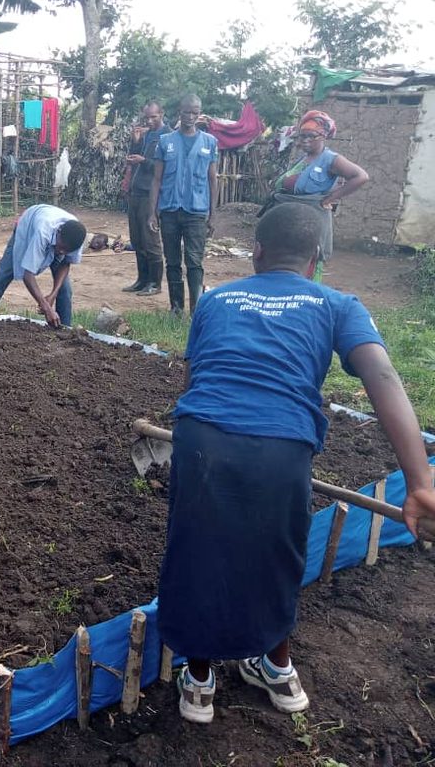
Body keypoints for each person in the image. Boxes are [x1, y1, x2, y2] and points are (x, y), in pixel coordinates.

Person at [157, 203, 435, 726]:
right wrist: (419, 482)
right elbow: (382, 376)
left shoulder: (215, 299)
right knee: (278, 556)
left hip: (200, 437)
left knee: (198, 552)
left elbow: (194, 381)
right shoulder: (337, 303)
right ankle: (278, 669)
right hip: (280, 448)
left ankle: (198, 682)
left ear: (256, 252)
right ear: (315, 259)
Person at [270, 110, 368, 282]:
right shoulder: (303, 159)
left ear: (323, 136)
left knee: (307, 263)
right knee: (285, 263)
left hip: (310, 221)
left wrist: (331, 198)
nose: (305, 140)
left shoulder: (330, 160)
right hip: (289, 220)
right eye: (301, 136)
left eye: (311, 136)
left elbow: (361, 176)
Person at [148, 94, 218, 315]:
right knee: (173, 261)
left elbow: (213, 179)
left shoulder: (210, 142)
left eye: (195, 113)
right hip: (169, 210)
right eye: (187, 112)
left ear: (199, 114)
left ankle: (196, 308)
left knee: (194, 261)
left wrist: (212, 214)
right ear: (180, 112)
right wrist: (153, 212)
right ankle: (176, 308)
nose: (190, 116)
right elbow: (157, 179)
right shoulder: (166, 142)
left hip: (196, 212)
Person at [0, 204, 87, 328]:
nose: (61, 252)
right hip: (27, 226)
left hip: (51, 226)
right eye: (61, 247)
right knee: (3, 275)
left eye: (67, 250)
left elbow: (65, 263)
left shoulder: (76, 238)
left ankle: (65, 329)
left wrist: (53, 295)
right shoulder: (42, 232)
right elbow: (27, 275)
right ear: (58, 232)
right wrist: (46, 307)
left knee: (65, 290)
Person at [123, 101, 170, 296]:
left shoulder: (167, 137)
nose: (149, 121)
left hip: (151, 194)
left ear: (162, 114)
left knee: (151, 240)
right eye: (147, 118)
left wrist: (144, 161)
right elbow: (134, 160)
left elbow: (165, 168)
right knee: (137, 239)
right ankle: (142, 280)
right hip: (135, 192)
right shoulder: (145, 135)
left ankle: (155, 283)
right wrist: (135, 142)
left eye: (154, 117)